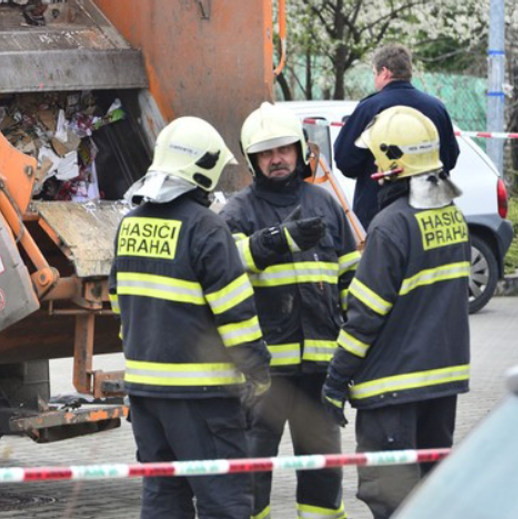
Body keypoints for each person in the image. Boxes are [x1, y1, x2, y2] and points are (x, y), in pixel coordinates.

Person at [109, 116, 272, 519]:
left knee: (163, 497)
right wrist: (258, 372)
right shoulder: (207, 228)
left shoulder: (128, 226)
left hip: (146, 394)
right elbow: (237, 317)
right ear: (204, 167)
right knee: (225, 500)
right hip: (203, 397)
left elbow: (118, 303)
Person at [322, 106, 471, 519]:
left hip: (391, 389)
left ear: (391, 164)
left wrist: (336, 379)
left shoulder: (390, 226)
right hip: (442, 384)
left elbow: (365, 315)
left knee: (391, 499)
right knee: (432, 492)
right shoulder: (452, 217)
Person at [220, 102, 359, 519]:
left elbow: (351, 282)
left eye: (283, 149)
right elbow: (224, 265)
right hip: (263, 376)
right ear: (252, 160)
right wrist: (273, 241)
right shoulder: (238, 212)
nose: (276, 159)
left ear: (300, 151)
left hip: (320, 372)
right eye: (266, 153)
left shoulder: (326, 204)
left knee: (322, 474)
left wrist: (352, 359)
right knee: (252, 474)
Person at [334, 43, 459, 230]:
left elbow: (345, 161)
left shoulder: (370, 108)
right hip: (430, 215)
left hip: (379, 215)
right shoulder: (436, 108)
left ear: (384, 72)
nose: (374, 79)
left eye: (374, 73)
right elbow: (450, 158)